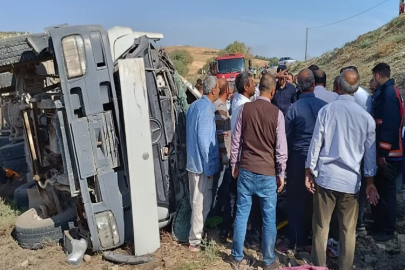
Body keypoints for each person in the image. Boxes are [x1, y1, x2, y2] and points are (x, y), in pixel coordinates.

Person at [305, 69, 379, 270]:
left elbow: (316, 143)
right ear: (356, 90)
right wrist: (370, 183)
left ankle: (319, 266)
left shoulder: (326, 111)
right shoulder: (366, 119)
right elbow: (370, 156)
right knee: (348, 231)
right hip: (350, 182)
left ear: (338, 87)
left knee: (321, 227)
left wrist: (309, 170)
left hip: (326, 179)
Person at [230, 74, 287, 270]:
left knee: (242, 213)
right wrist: (281, 173)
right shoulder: (277, 114)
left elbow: (236, 139)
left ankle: (236, 257)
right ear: (272, 91)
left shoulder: (245, 109)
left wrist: (234, 163)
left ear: (258, 89)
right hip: (267, 172)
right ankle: (269, 259)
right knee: (268, 217)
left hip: (246, 168)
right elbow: (281, 148)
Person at [285, 69, 327, 249]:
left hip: (298, 159)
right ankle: (316, 238)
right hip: (320, 160)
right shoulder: (325, 107)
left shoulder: (293, 109)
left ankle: (297, 239)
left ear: (299, 86)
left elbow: (286, 137)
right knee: (317, 200)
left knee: (295, 200)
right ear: (313, 85)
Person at [186, 76, 220, 252]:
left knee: (196, 202)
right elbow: (205, 141)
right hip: (202, 165)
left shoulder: (194, 106)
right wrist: (210, 167)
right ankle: (195, 242)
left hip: (192, 163)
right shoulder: (207, 108)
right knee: (201, 204)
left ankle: (195, 235)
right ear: (213, 90)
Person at [370, 63, 404, 242]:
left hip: (390, 154)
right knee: (381, 190)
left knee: (387, 193)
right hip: (388, 152)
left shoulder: (389, 94)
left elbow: (389, 125)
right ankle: (379, 225)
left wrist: (383, 152)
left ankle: (387, 229)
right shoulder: (387, 92)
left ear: (377, 76)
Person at [212, 79, 233, 212]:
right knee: (219, 185)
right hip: (222, 154)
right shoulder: (220, 107)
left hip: (221, 152)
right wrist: (224, 154)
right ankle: (215, 212)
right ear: (227, 91)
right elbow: (220, 132)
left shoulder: (217, 105)